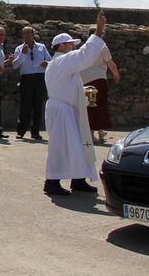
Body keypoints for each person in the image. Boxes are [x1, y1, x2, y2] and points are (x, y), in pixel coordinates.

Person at [43, 12, 108, 196]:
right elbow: (84, 55)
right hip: (62, 111)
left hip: (67, 109)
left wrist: (82, 95)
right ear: (62, 46)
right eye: (71, 44)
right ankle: (52, 181)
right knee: (60, 146)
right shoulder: (62, 60)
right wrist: (99, 31)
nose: (73, 47)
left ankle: (78, 179)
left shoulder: (58, 63)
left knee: (77, 145)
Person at [13, 26, 51, 141]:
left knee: (38, 105)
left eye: (28, 33)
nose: (26, 36)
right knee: (25, 105)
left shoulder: (41, 47)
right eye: (24, 34)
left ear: (33, 34)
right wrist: (23, 54)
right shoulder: (19, 49)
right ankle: (21, 131)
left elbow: (50, 61)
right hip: (26, 78)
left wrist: (46, 63)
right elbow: (15, 65)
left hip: (39, 77)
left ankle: (35, 132)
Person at [84, 45, 121, 144]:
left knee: (91, 105)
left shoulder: (84, 47)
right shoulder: (101, 47)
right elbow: (109, 62)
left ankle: (100, 131)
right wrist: (116, 73)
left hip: (85, 79)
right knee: (97, 106)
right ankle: (91, 133)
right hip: (98, 78)